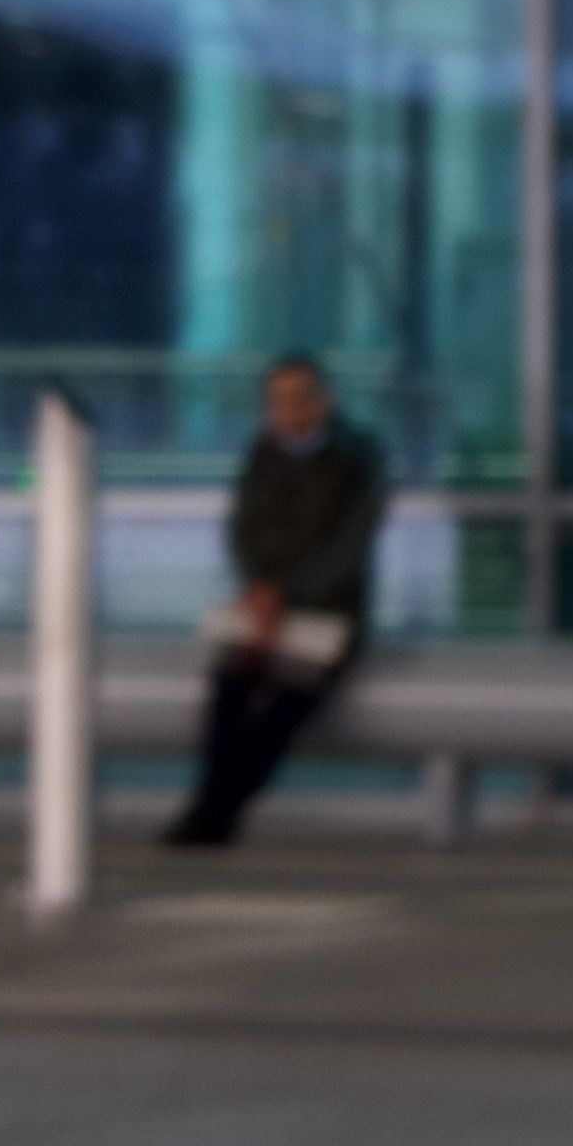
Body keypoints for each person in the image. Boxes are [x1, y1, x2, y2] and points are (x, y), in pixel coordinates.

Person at [166, 353, 389, 850]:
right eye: (277, 399)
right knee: (227, 692)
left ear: (323, 401)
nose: (287, 409)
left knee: (282, 709)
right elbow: (240, 529)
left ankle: (213, 812)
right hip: (262, 612)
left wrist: (286, 593)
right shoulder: (262, 453)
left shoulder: (360, 458)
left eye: (298, 397)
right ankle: (212, 810)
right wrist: (259, 590)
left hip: (329, 616)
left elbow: (350, 548)